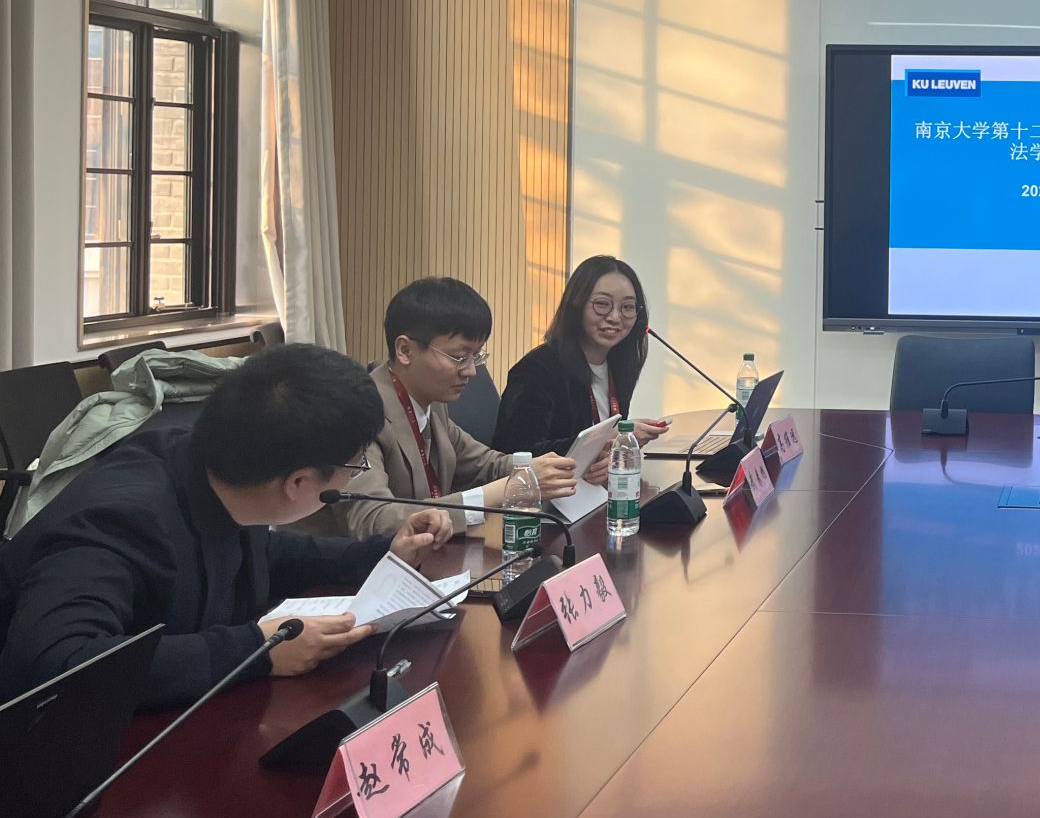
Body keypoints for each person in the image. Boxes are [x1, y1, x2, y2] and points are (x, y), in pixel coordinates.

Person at [0, 344, 451, 707]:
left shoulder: (226, 471)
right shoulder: (121, 520)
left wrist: (380, 552)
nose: (355, 476)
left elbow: (260, 554)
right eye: (356, 466)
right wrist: (256, 651)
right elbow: (56, 664)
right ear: (298, 482)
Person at [304, 277, 602, 541]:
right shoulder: (358, 414)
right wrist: (507, 490)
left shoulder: (431, 404)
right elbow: (374, 521)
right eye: (460, 357)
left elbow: (487, 464)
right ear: (405, 350)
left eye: (476, 356)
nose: (471, 371)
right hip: (343, 577)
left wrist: (555, 467)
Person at [493, 256, 670, 458]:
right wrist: (608, 439)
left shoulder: (618, 364)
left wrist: (619, 442)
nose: (615, 317)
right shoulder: (537, 370)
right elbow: (516, 454)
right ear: (575, 305)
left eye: (628, 307)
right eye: (602, 304)